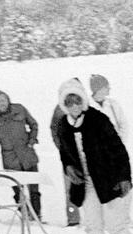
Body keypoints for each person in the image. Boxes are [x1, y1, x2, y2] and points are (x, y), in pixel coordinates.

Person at [54, 78, 133, 234]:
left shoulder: (98, 119)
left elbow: (118, 149)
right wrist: (69, 168)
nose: (74, 106)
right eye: (69, 102)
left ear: (83, 101)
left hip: (108, 180)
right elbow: (64, 154)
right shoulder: (63, 126)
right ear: (64, 104)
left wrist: (124, 177)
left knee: (115, 223)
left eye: (77, 101)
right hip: (85, 183)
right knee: (92, 223)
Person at [0, 90, 42, 218]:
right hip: (10, 158)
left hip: (27, 154)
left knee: (34, 187)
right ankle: (25, 213)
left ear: (8, 100)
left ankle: (37, 215)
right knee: (17, 188)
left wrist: (32, 140)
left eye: (3, 100)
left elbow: (34, 125)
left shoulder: (19, 109)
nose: (2, 103)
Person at [88, 74, 133, 228]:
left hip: (116, 154)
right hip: (98, 156)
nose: (109, 89)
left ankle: (124, 218)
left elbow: (124, 124)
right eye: (106, 86)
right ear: (98, 89)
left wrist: (118, 145)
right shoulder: (87, 107)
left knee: (125, 186)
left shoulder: (113, 104)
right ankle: (100, 220)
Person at [50, 78, 82, 226]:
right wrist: (63, 148)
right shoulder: (59, 110)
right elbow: (55, 131)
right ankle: (73, 219)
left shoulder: (86, 107)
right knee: (71, 187)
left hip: (88, 154)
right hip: (69, 156)